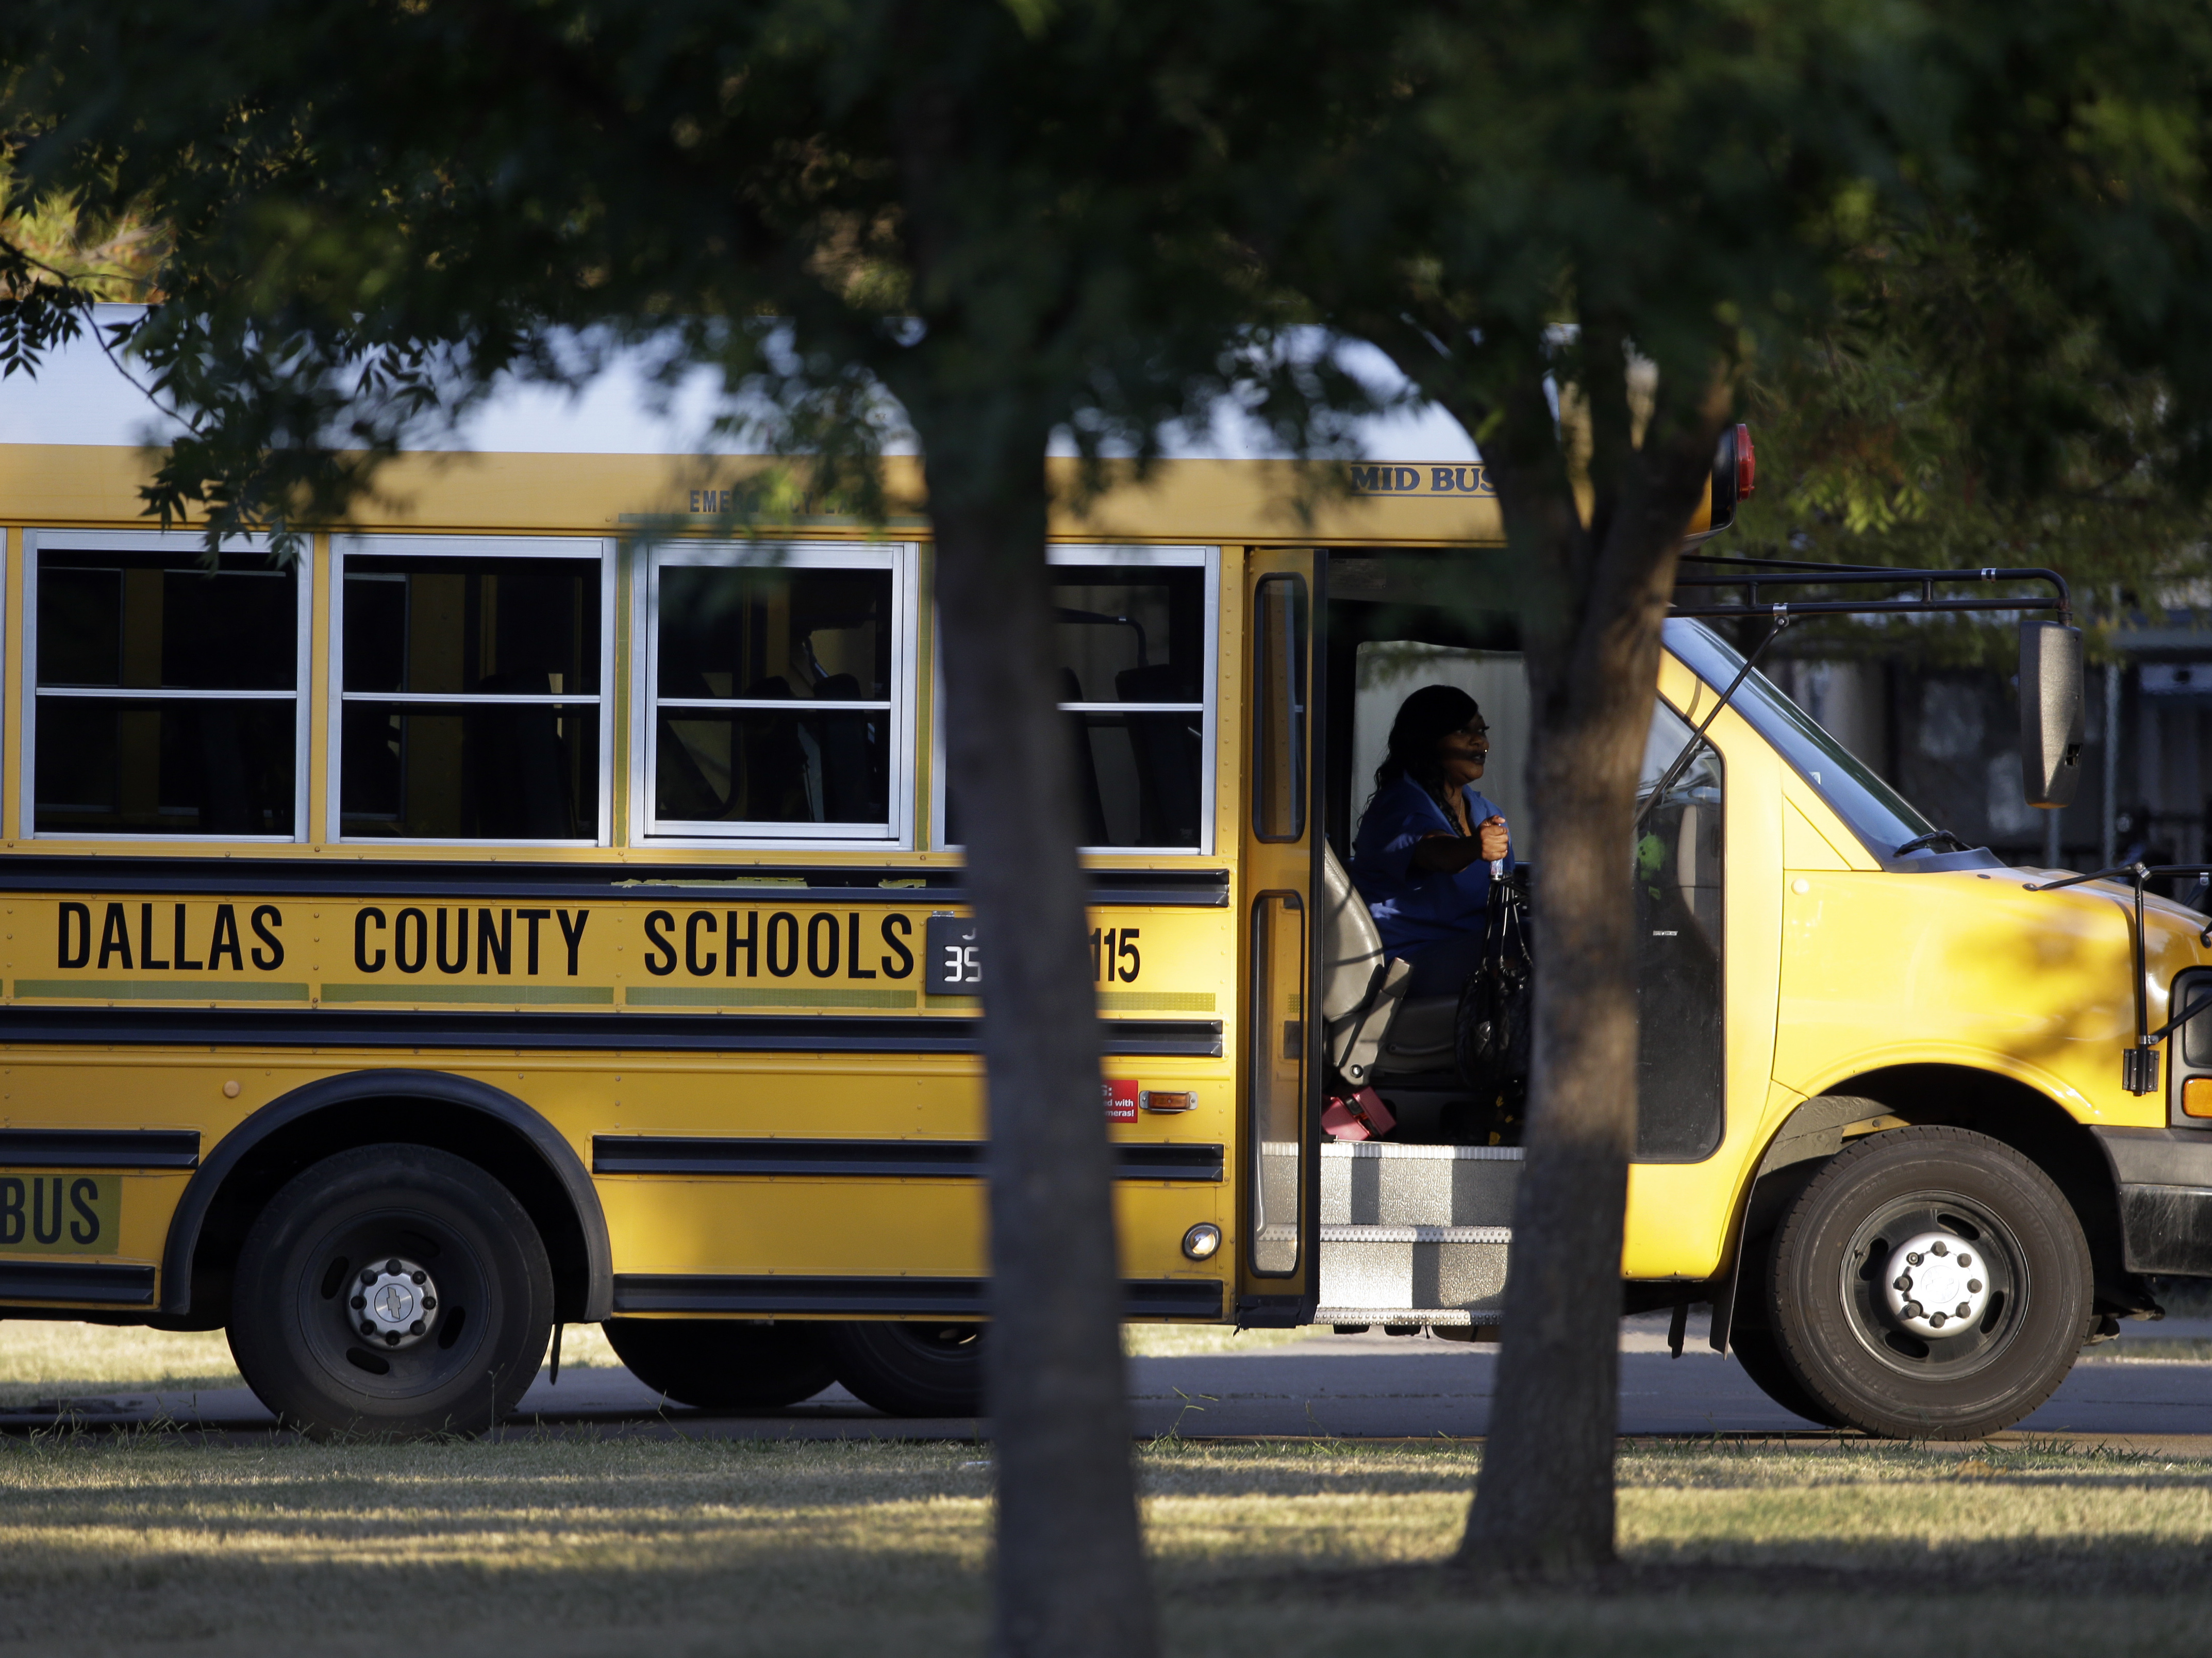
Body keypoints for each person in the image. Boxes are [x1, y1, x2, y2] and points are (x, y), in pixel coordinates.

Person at [1350, 684, 1513, 999]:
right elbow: (1436, 852)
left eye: (1482, 731)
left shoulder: (1487, 811)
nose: (1480, 741)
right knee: (1539, 945)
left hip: (1469, 947)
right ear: (1428, 741)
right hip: (1408, 963)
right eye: (1463, 731)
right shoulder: (1397, 806)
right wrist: (1473, 847)